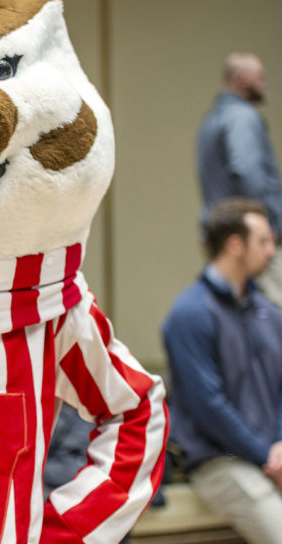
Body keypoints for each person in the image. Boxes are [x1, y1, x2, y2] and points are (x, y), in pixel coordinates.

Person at [162, 197, 282, 543]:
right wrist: (265, 456)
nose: (272, 251)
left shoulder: (268, 313)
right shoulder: (190, 313)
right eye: (264, 241)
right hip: (220, 463)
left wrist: (277, 448)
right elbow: (207, 404)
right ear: (235, 245)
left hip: (272, 456)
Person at [197, 52, 282, 306]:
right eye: (260, 79)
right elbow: (246, 170)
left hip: (222, 237)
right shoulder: (243, 117)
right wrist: (269, 228)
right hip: (249, 241)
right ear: (242, 79)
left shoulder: (211, 121)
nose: (264, 85)